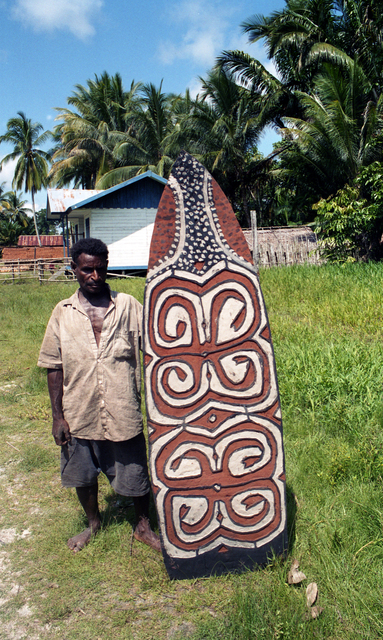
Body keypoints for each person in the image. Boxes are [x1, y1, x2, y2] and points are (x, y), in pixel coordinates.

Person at [37, 237, 160, 553]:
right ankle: (93, 524)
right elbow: (53, 365)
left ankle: (143, 526)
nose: (94, 277)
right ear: (74, 268)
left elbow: (159, 346)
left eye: (100, 270)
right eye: (86, 270)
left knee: (133, 470)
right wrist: (57, 416)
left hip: (122, 406)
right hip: (80, 409)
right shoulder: (62, 313)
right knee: (82, 473)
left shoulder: (130, 306)